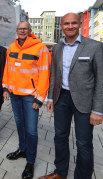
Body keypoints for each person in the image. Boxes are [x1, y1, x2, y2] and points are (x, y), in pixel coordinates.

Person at [39, 13, 103, 179]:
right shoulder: (58, 47)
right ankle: (60, 173)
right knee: (60, 137)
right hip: (61, 99)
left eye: (74, 23)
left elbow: (101, 80)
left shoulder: (94, 47)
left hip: (85, 101)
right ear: (61, 26)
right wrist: (51, 98)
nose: (70, 26)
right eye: (66, 24)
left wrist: (98, 110)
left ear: (80, 24)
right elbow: (54, 74)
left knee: (83, 143)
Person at [2, 21, 51, 179]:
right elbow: (7, 69)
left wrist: (40, 98)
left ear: (30, 30)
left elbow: (45, 74)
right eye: (20, 28)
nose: (22, 31)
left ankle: (30, 161)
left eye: (25, 28)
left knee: (31, 130)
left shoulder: (40, 48)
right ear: (16, 31)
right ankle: (22, 150)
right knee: (20, 124)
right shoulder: (11, 48)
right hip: (15, 95)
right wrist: (5, 87)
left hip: (31, 97)